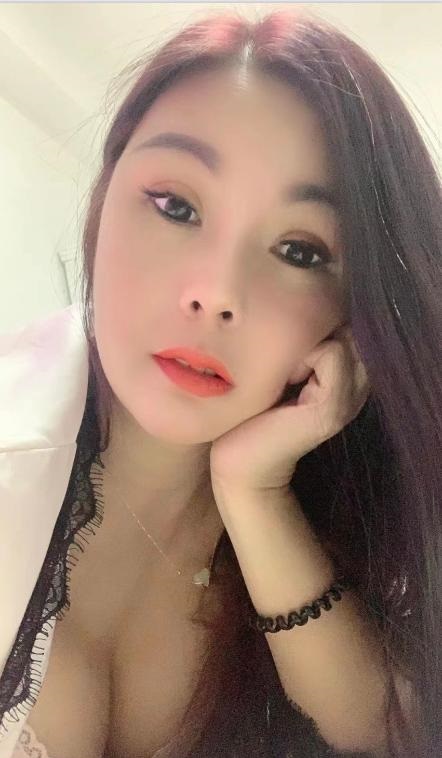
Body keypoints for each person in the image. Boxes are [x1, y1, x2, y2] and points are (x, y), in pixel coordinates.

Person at [0, 8, 440, 758]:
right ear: (106, 195)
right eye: (177, 206)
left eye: (300, 251)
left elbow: (393, 736)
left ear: (353, 313)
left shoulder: (342, 530)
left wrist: (255, 494)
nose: (216, 292)